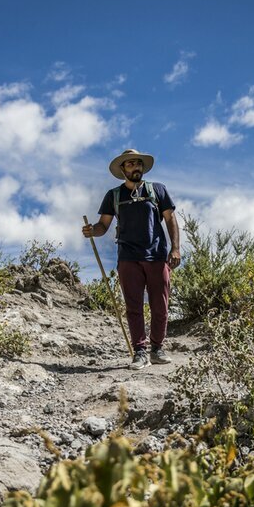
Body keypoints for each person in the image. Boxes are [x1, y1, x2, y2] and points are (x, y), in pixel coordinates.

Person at [82, 149, 181, 370]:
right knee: (133, 306)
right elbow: (103, 225)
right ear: (122, 169)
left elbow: (170, 219)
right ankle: (140, 352)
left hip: (156, 255)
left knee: (160, 305)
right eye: (129, 164)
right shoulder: (114, 195)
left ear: (142, 167)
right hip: (127, 257)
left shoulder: (157, 190)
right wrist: (92, 231)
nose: (135, 167)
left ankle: (157, 349)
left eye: (138, 163)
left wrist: (175, 249)